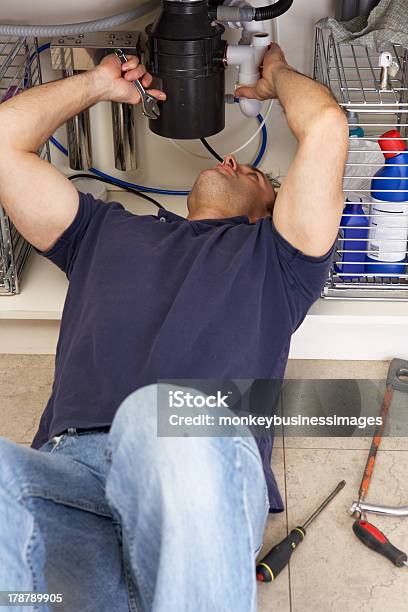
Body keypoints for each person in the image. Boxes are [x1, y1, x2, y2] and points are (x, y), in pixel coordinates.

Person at [0, 44, 348, 611]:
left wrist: (277, 76)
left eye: (257, 174)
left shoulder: (281, 259)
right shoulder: (99, 231)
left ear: (272, 209)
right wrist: (97, 85)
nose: (232, 163)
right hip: (71, 478)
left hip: (190, 460)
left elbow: (327, 127)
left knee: (154, 413)